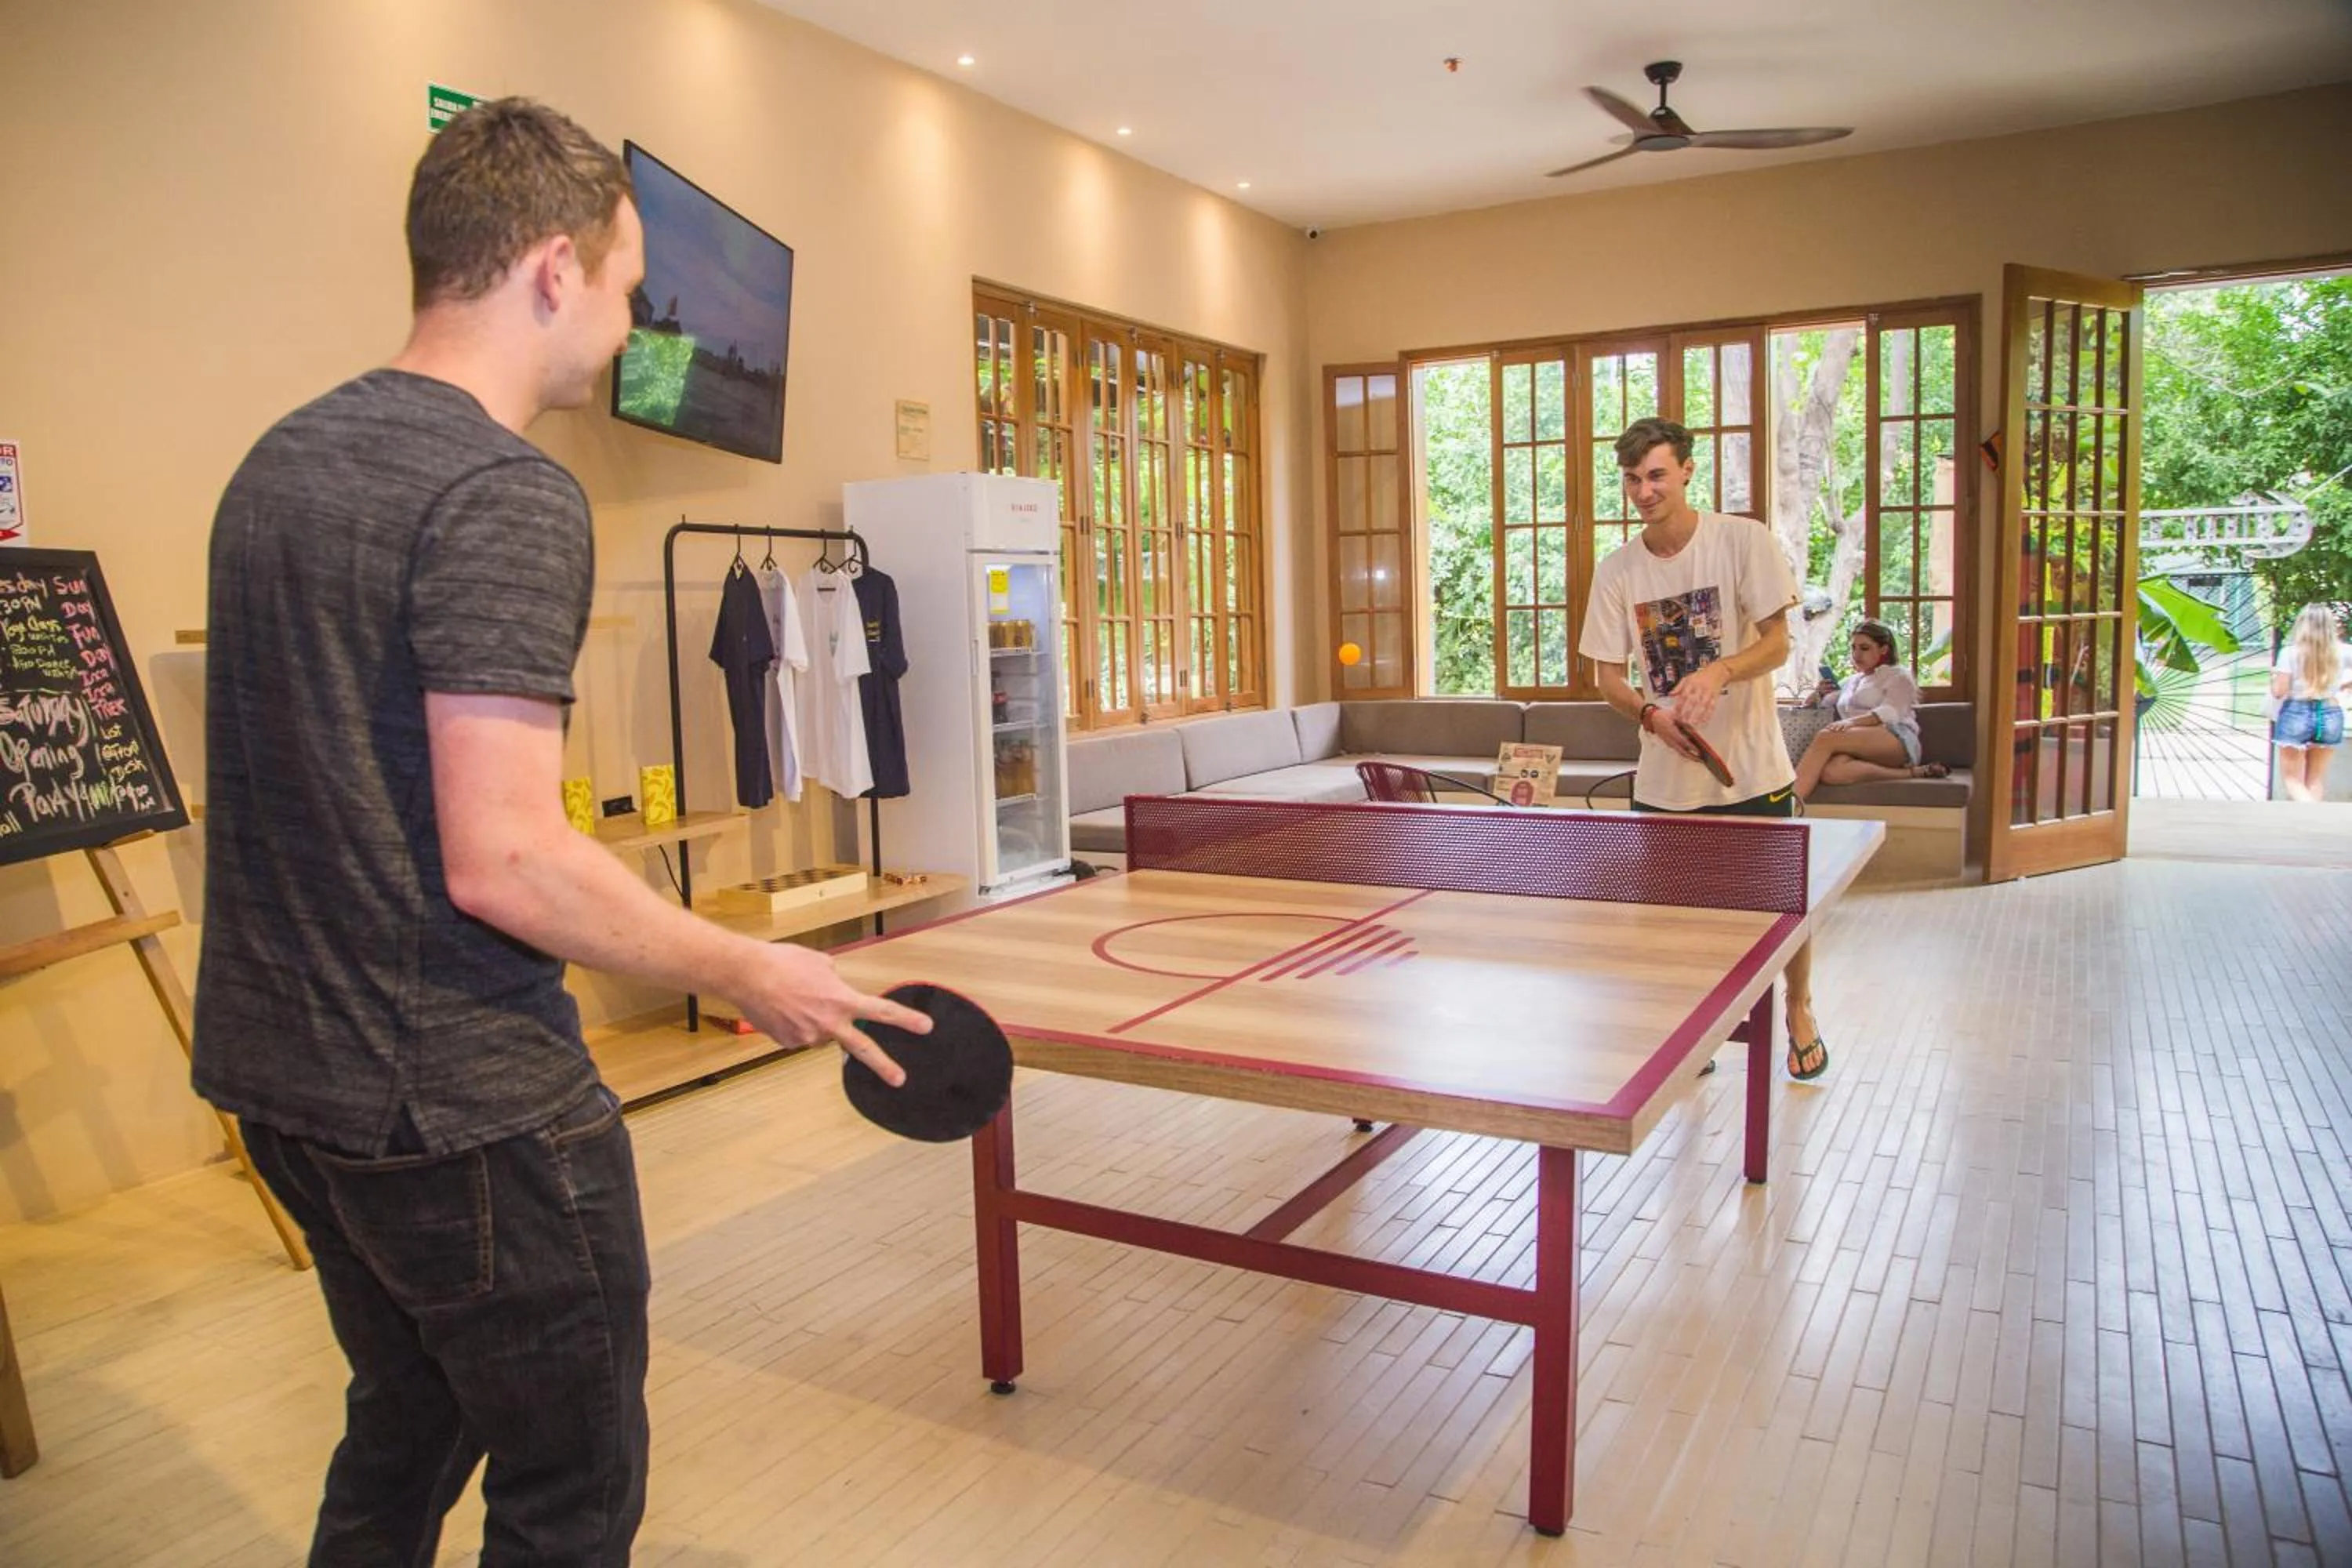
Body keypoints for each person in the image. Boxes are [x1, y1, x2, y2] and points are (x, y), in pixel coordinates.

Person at [193, 100, 928, 1564]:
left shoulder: (276, 461)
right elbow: (507, 855)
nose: (633, 317)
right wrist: (752, 967)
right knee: (570, 1493)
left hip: (279, 1080)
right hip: (458, 1106)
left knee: (401, 1423)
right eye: (625, 281)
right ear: (548, 270)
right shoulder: (505, 489)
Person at [1578, 417, 1829, 1082]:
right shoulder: (1618, 572)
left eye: (1657, 475)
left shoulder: (1744, 541)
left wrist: (1718, 671)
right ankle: (1701, 1025)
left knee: (1783, 904)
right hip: (1664, 784)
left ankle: (1798, 1008)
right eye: (1632, 479)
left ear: (1688, 470)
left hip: (1753, 770)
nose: (1644, 491)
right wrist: (1651, 715)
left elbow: (1778, 644)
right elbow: (1606, 677)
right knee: (1674, 924)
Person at [1792, 620, 1950, 800]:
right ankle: (1913, 773)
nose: (1856, 654)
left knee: (1826, 736)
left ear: (1883, 649)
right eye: (1854, 648)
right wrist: (1818, 694)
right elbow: (1818, 708)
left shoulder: (1898, 675)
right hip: (1859, 744)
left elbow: (1890, 712)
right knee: (1832, 773)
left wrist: (1850, 722)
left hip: (1896, 739)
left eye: (1864, 648)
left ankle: (1789, 807)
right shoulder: (1851, 682)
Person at [2271, 602, 2350, 801]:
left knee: (2292, 780)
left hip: (2296, 711)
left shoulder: (2290, 653)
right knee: (2316, 779)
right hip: (2330, 712)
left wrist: (2273, 678)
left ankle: (2312, 818)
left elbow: (2279, 691)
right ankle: (2313, 825)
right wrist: (2344, 684)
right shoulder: (2343, 651)